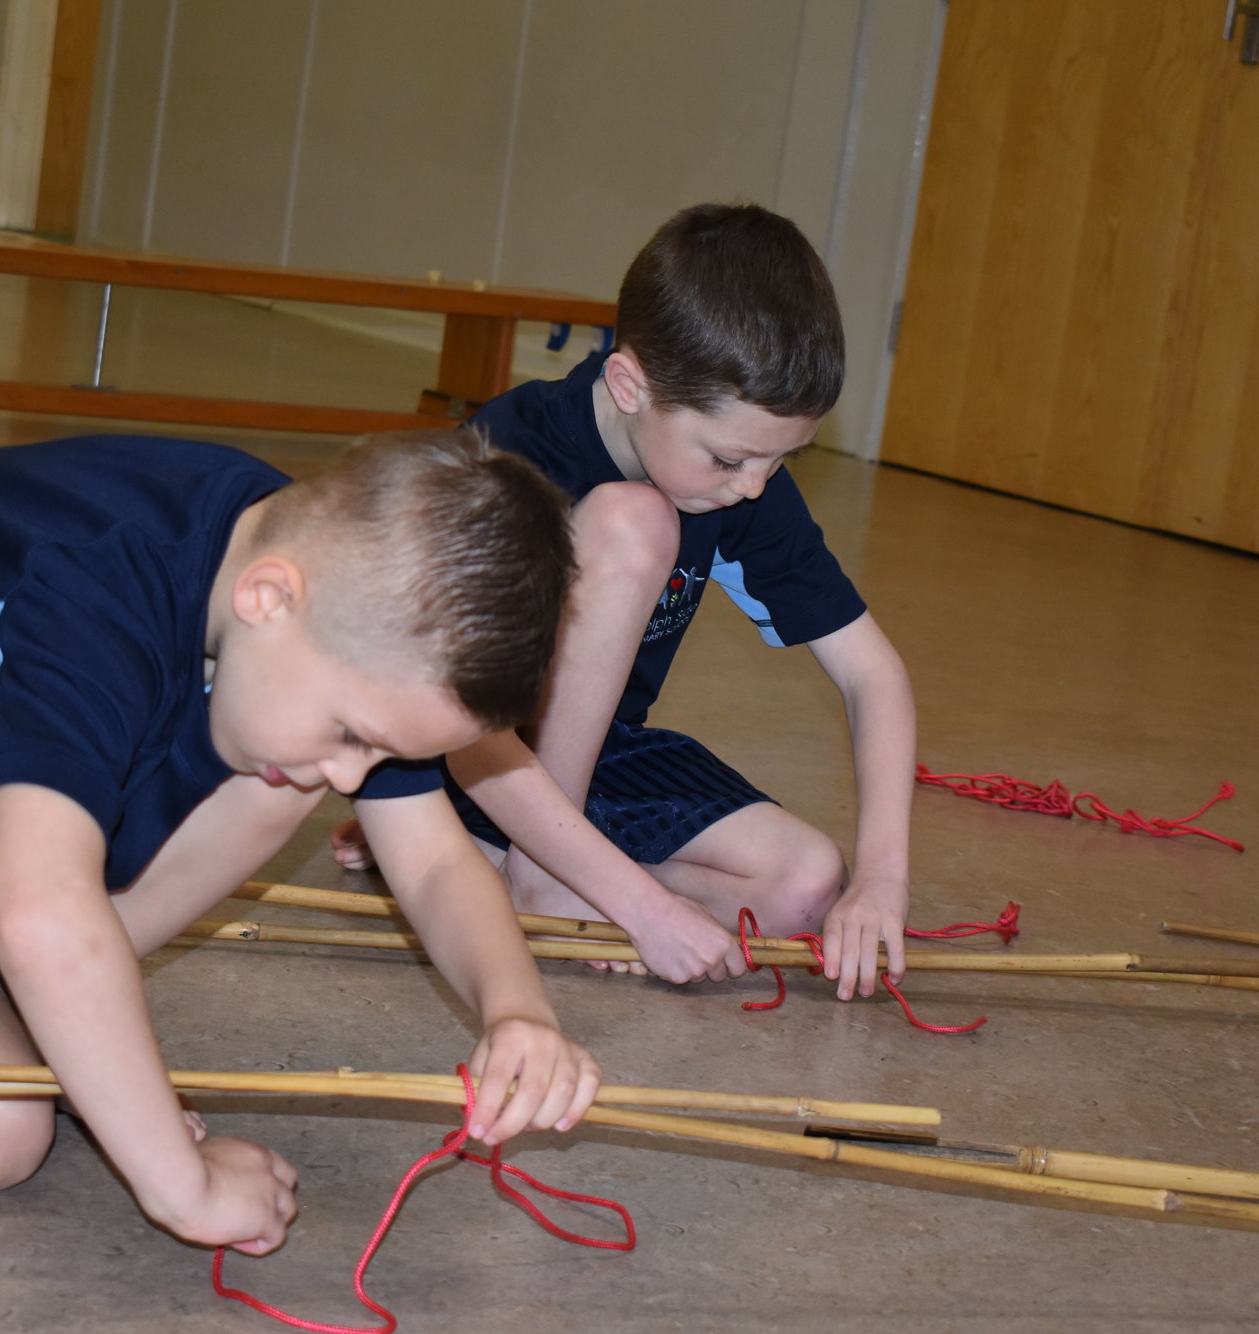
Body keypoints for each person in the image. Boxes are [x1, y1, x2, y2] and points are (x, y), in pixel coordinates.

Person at [0, 429, 599, 1259]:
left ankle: (45, 1014)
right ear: (268, 596)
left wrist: (518, 1010)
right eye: (355, 731)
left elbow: (434, 860)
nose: (356, 777)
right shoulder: (96, 588)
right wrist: (180, 1186)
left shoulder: (322, 585)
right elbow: (36, 915)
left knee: (282, 770)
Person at [336, 203, 917, 1004]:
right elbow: (461, 729)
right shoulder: (510, 454)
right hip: (463, 743)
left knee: (806, 886)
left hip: (594, 750)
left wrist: (882, 878)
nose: (753, 487)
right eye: (731, 458)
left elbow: (871, 675)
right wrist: (642, 903)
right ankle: (529, 869)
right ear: (629, 384)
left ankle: (498, 861)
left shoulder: (742, 478)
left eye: (783, 461)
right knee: (637, 521)